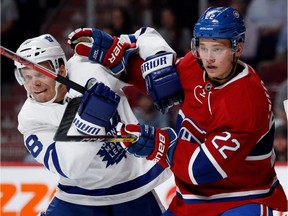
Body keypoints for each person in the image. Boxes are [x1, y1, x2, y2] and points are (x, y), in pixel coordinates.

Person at [68, 6, 288, 215]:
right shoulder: (197, 63)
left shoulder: (246, 101)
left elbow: (201, 169)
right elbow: (163, 86)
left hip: (241, 199)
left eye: (218, 48)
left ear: (237, 48)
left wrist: (160, 143)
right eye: (203, 46)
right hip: (190, 199)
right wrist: (118, 58)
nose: (208, 57)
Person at [14, 34, 172, 215]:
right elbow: (68, 167)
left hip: (132, 187)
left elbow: (145, 35)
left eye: (41, 73)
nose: (34, 83)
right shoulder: (31, 118)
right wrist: (90, 119)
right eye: (26, 76)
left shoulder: (88, 67)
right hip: (78, 199)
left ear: (62, 69)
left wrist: (157, 58)